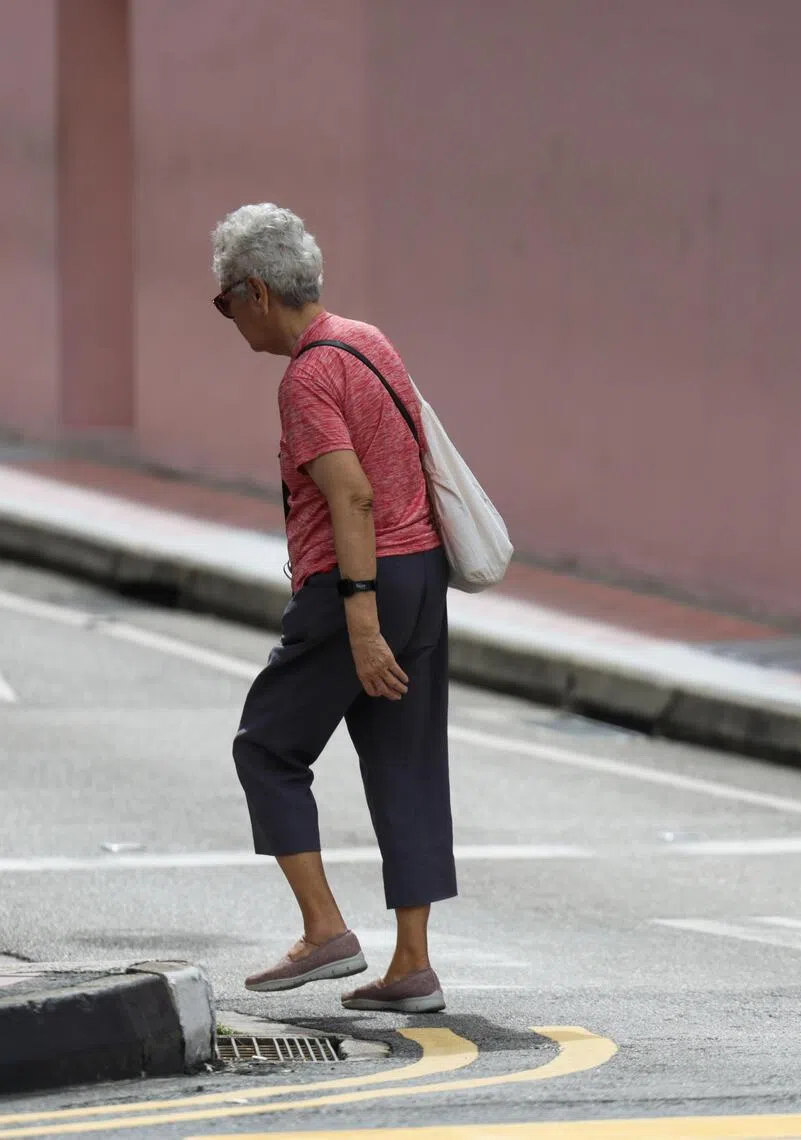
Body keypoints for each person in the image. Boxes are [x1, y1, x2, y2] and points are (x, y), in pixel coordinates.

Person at [211, 203, 455, 1014]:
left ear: (256, 292)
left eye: (224, 301)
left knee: (267, 748)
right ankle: (412, 964)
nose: (229, 319)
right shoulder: (370, 341)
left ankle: (324, 931)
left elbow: (351, 493)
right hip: (421, 572)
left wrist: (357, 620)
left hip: (357, 582)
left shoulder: (310, 373)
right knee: (405, 762)